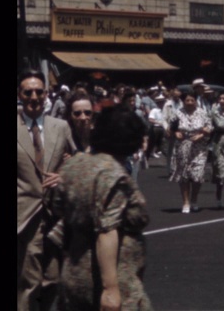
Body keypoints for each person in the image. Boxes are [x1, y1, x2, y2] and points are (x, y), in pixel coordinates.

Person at [52, 105, 153, 310]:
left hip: (74, 270)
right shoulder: (113, 174)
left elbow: (58, 208)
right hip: (113, 275)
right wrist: (110, 290)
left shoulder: (74, 165)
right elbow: (107, 231)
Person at [17, 70, 76, 311]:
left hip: (57, 216)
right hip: (25, 217)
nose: (34, 96)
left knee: (53, 279)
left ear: (46, 94)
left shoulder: (60, 127)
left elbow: (77, 161)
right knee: (29, 282)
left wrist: (65, 175)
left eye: (39, 91)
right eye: (28, 92)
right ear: (19, 95)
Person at [168, 90, 212, 213]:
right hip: (183, 146)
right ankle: (186, 202)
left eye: (192, 100)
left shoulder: (202, 113)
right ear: (183, 101)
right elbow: (170, 129)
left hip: (199, 148)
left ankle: (194, 199)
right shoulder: (177, 113)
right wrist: (176, 133)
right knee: (184, 175)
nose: (190, 103)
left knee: (197, 175)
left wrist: (202, 134)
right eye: (187, 100)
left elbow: (210, 127)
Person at [162, 88, 183, 175]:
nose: (176, 97)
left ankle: (179, 169)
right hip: (171, 128)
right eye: (175, 95)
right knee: (171, 150)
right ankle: (170, 170)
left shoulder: (182, 103)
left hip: (181, 128)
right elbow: (163, 118)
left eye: (178, 96)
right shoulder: (168, 104)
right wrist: (167, 128)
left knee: (180, 150)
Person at [147, 94, 166, 160]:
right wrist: (158, 123)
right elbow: (150, 119)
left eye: (162, 102)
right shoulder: (154, 110)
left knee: (162, 140)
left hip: (164, 127)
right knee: (154, 139)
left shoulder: (165, 110)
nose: (161, 104)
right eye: (160, 102)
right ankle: (152, 152)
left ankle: (159, 150)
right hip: (156, 127)